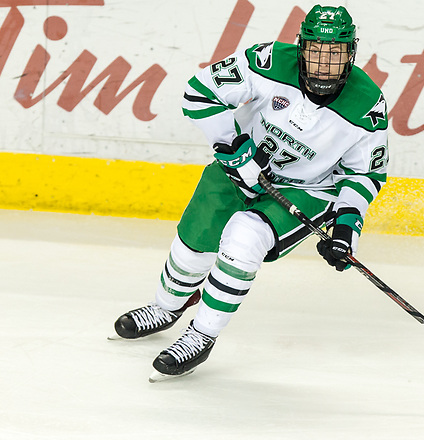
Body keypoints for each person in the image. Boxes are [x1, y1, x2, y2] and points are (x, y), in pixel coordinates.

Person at [112, 4, 389, 380]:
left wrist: (346, 229)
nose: (324, 64)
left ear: (351, 53)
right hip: (234, 169)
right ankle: (165, 308)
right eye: (316, 51)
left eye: (336, 53)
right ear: (301, 46)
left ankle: (201, 335)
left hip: (307, 189)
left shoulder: (368, 106)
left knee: (244, 238)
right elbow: (198, 93)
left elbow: (364, 174)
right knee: (193, 244)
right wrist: (235, 149)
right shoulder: (268, 60)